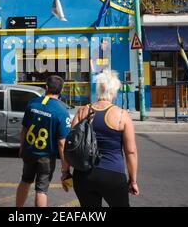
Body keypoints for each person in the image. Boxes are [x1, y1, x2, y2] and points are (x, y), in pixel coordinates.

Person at [70, 70, 139, 207]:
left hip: (83, 175)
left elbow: (71, 144)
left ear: (98, 90)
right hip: (112, 174)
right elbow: (130, 151)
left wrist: (65, 172)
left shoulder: (83, 111)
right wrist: (133, 180)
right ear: (114, 91)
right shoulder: (121, 115)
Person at [16, 75, 72, 207]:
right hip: (46, 156)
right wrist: (65, 168)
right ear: (61, 90)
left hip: (29, 152)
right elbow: (61, 143)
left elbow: (24, 129)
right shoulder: (62, 111)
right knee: (41, 190)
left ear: (46, 87)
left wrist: (21, 147)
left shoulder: (33, 103)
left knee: (25, 181)